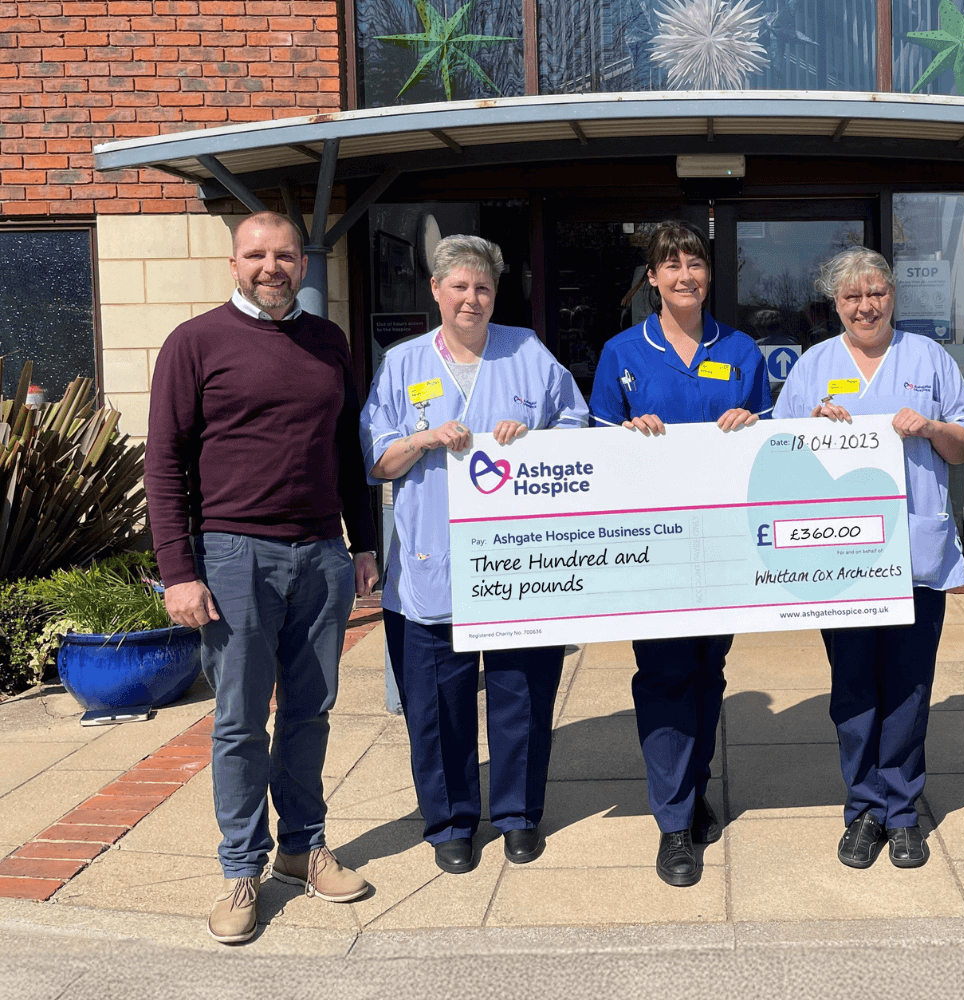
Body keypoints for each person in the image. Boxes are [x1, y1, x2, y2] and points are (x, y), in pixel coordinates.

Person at [145, 211, 380, 944]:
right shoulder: (195, 343)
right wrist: (179, 571)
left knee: (311, 713)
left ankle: (301, 850)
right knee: (242, 721)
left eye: (284, 254)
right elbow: (163, 465)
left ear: (303, 262)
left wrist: (364, 542)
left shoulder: (329, 342)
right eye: (257, 254)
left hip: (320, 555)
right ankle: (241, 869)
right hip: (234, 557)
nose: (271, 266)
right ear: (233, 262)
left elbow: (349, 450)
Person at [361, 235, 588, 876]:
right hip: (430, 571)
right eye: (458, 286)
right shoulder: (402, 365)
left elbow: (578, 426)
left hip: (518, 568)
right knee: (437, 710)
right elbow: (376, 460)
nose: (471, 298)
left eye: (482, 287)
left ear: (496, 294)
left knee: (521, 698)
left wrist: (535, 437)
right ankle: (451, 822)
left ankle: (518, 816)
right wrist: (425, 438)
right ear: (436, 291)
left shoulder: (529, 354)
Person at [774, 247, 964, 869]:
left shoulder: (929, 359)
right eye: (852, 297)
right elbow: (778, 454)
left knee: (911, 686)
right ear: (835, 305)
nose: (866, 307)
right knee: (856, 687)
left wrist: (932, 429)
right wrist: (809, 426)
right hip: (841, 561)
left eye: (876, 294)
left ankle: (903, 811)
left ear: (894, 296)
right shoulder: (813, 367)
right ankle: (863, 809)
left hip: (914, 553)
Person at [590, 220, 771, 887]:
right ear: (654, 277)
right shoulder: (620, 353)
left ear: (708, 273)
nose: (684, 274)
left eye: (694, 262)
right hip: (653, 552)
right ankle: (672, 825)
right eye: (671, 264)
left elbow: (769, 449)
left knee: (707, 672)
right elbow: (598, 447)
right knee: (665, 676)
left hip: (723, 550)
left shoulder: (742, 351)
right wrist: (627, 435)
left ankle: (690, 792)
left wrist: (756, 425)